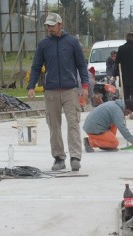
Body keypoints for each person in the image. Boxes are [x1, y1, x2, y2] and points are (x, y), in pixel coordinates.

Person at [27, 12, 89, 172]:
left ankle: (75, 157)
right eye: (47, 26)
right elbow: (35, 67)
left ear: (60, 24)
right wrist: (31, 86)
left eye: (52, 26)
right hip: (51, 91)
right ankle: (59, 158)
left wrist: (85, 86)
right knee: (53, 125)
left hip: (70, 90)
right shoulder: (43, 45)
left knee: (73, 123)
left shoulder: (72, 42)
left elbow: (82, 66)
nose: (49, 29)